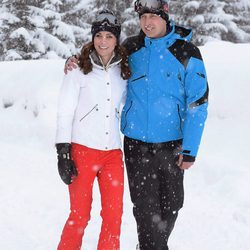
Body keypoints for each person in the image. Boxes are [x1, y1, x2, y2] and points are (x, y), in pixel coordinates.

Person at [65, 1, 209, 249]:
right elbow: (101, 55)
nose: (147, 23)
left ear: (166, 16)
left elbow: (198, 103)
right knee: (145, 208)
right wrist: (73, 61)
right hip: (137, 145)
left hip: (172, 144)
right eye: (143, 17)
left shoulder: (187, 52)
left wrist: (190, 148)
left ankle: (153, 244)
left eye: (153, 17)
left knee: (172, 205)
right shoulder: (130, 47)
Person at [55, 9, 130, 250]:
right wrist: (63, 151)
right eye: (99, 36)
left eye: (109, 36)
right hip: (82, 151)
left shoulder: (124, 71)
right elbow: (65, 111)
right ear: (92, 37)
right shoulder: (78, 69)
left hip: (112, 153)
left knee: (113, 216)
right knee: (79, 214)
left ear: (116, 39)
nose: (103, 41)